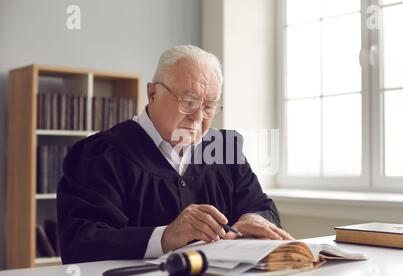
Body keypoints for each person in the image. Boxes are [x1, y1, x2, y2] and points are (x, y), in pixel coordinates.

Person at [57, 45, 293, 264]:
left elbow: (262, 208)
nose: (199, 117)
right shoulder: (100, 154)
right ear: (152, 94)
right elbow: (80, 242)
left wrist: (254, 218)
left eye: (209, 106)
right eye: (188, 102)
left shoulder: (224, 149)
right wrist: (166, 237)